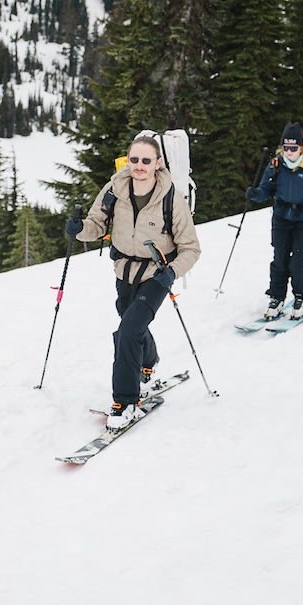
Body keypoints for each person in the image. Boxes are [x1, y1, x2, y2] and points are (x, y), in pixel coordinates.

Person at [65, 130, 201, 431]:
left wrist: (173, 272)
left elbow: (191, 247)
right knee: (133, 324)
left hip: (157, 274)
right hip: (124, 269)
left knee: (127, 330)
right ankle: (148, 364)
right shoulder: (115, 188)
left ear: (158, 163)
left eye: (146, 160)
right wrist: (78, 229)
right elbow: (96, 224)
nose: (139, 165)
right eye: (134, 159)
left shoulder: (171, 197)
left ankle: (126, 402)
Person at [245, 122, 303, 320]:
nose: (289, 152)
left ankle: (300, 297)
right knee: (280, 259)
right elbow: (267, 189)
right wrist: (256, 194)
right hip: (281, 217)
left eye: (293, 148)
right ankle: (276, 298)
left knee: (297, 263)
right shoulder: (276, 164)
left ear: (301, 147)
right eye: (285, 147)